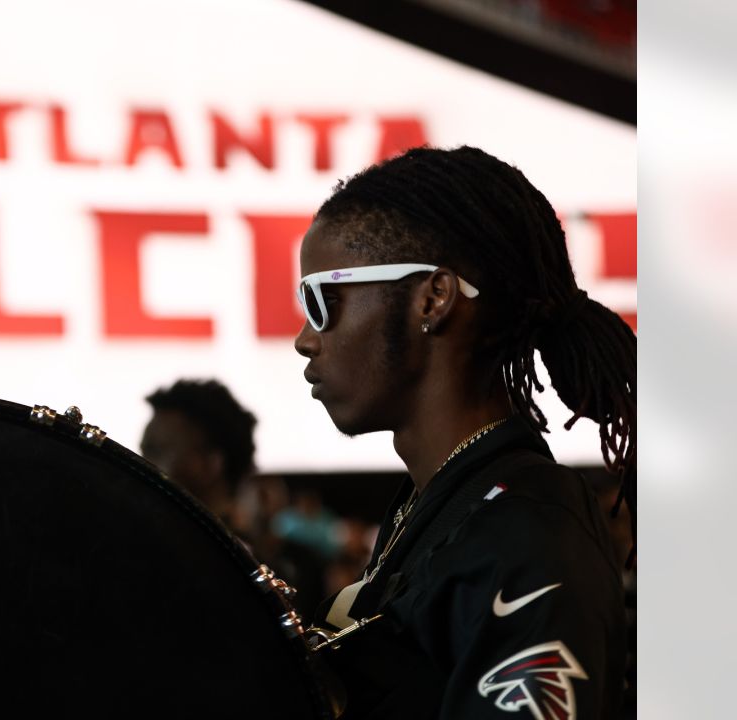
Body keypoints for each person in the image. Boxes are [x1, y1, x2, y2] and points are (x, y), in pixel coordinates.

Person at [292, 146, 634, 719]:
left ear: (433, 297)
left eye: (322, 300)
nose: (305, 337)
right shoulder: (439, 507)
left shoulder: (529, 541)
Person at [141, 379, 327, 613]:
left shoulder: (244, 571)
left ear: (211, 464)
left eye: (156, 451)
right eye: (143, 451)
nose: (141, 464)